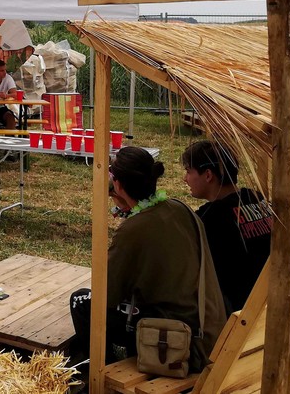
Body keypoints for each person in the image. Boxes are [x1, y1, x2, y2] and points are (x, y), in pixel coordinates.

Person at [68, 147, 226, 377]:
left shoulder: (133, 230)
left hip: (175, 338)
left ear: (119, 185)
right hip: (204, 324)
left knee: (82, 301)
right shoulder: (179, 208)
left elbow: (107, 296)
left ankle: (101, 373)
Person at [182, 140, 273, 314]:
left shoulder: (211, 218)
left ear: (208, 175)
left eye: (188, 171)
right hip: (272, 299)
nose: (185, 178)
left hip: (240, 313)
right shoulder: (256, 198)